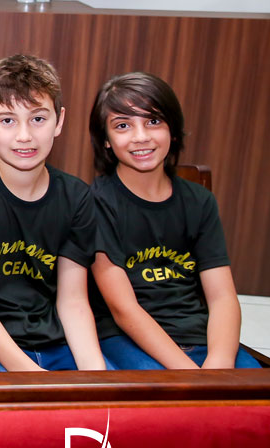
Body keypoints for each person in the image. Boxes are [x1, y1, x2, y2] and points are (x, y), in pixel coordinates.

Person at [0, 55, 106, 372]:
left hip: (55, 343)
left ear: (59, 121)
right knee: (10, 402)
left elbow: (73, 301)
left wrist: (94, 374)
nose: (24, 136)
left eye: (38, 119)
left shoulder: (76, 197)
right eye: (7, 121)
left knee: (108, 394)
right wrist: (31, 374)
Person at [88, 72, 260, 370]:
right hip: (127, 338)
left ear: (174, 130)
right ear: (106, 140)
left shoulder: (200, 201)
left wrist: (219, 363)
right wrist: (191, 376)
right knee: (170, 397)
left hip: (198, 334)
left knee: (257, 389)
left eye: (153, 121)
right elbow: (123, 309)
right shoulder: (95, 202)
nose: (141, 136)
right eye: (123, 125)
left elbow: (222, 297)